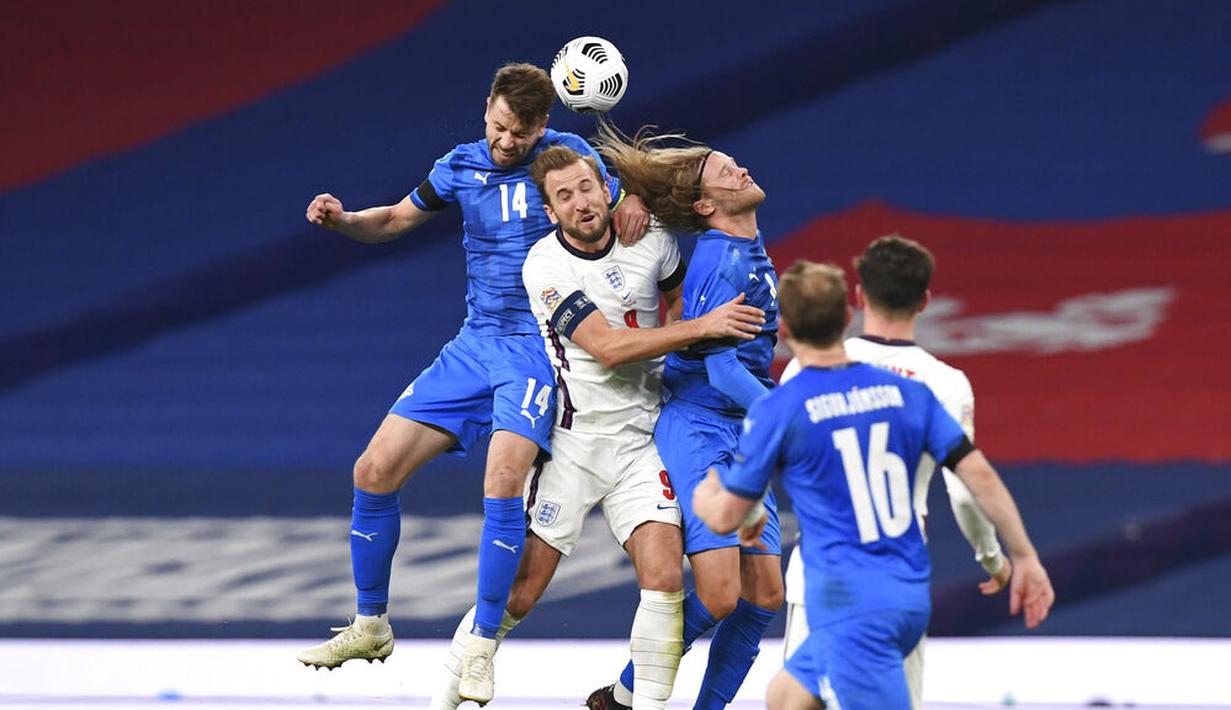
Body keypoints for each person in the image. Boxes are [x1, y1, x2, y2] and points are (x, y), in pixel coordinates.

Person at [296, 63, 651, 705]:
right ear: (486, 107)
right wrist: (346, 220)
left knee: (502, 481)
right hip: (472, 344)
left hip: (538, 350)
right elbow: (397, 219)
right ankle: (371, 624)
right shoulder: (459, 165)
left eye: (519, 132)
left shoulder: (565, 164)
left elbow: (626, 200)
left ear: (543, 125)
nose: (505, 142)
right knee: (373, 469)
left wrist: (637, 203)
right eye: (498, 126)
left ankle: (483, 646)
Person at [428, 146, 767, 709]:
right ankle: (442, 698)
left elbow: (678, 286)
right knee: (523, 591)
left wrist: (640, 200)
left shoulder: (651, 237)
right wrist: (699, 328)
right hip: (574, 444)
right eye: (564, 196)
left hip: (640, 443)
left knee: (662, 581)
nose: (580, 203)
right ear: (549, 210)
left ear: (604, 187)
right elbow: (607, 349)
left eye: (586, 188)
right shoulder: (544, 265)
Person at [693, 260, 1055, 710]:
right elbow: (975, 476)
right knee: (785, 697)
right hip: (901, 588)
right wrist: (1021, 555)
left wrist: (707, 500)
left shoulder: (784, 403)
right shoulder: (908, 392)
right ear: (847, 317)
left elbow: (729, 512)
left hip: (851, 604)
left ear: (783, 329)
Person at [586, 125, 784, 710]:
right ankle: (623, 695)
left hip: (740, 436)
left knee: (765, 595)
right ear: (706, 206)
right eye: (727, 173)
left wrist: (638, 197)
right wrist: (788, 414)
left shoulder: (747, 244)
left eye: (735, 164)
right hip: (700, 433)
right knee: (721, 596)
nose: (741, 171)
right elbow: (721, 374)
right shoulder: (720, 262)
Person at [778, 235, 1011, 707]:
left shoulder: (804, 372)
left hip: (819, 576)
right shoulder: (943, 383)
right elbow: (966, 491)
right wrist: (993, 557)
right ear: (925, 300)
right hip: (894, 581)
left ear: (859, 296)